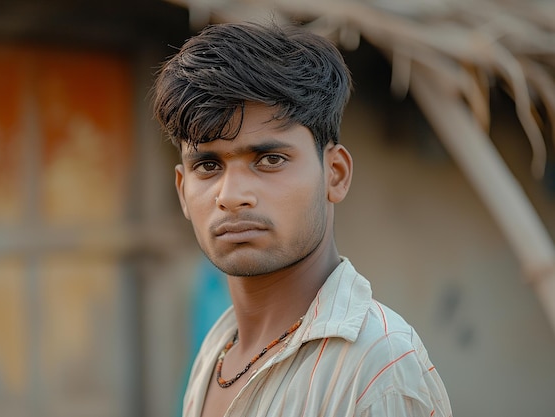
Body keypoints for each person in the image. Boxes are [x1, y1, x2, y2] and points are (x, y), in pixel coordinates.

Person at [152, 20, 452, 417]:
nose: (231, 196)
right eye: (208, 165)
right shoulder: (218, 352)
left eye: (270, 159)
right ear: (182, 192)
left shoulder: (377, 372)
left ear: (335, 174)